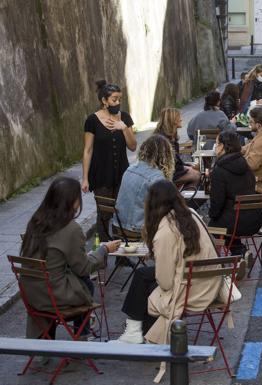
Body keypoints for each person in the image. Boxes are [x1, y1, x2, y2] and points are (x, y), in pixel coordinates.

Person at [114, 180, 222, 344]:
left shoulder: (166, 231)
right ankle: (135, 330)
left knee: (150, 285)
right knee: (142, 275)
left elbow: (165, 282)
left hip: (192, 290)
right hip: (211, 282)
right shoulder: (191, 213)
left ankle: (137, 332)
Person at [20, 177, 121, 339]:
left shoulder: (35, 221)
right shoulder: (71, 228)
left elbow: (54, 257)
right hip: (53, 298)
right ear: (72, 201)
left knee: (71, 278)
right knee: (86, 283)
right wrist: (104, 250)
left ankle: (47, 339)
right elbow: (83, 267)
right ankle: (81, 336)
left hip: (32, 295)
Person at [82, 80, 137, 241]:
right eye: (114, 99)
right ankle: (103, 254)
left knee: (122, 212)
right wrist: (85, 178)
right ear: (104, 101)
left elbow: (133, 146)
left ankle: (122, 253)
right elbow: (88, 150)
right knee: (104, 213)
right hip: (100, 174)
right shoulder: (92, 121)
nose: (118, 103)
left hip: (122, 173)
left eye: (120, 99)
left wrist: (124, 127)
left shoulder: (125, 117)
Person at [208, 130, 262, 255]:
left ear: (222, 146)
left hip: (236, 223)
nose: (215, 147)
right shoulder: (245, 163)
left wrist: (211, 216)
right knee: (227, 218)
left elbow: (217, 203)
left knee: (210, 227)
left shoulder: (220, 169)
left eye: (216, 144)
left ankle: (232, 255)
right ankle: (239, 251)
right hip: (255, 220)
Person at [114, 135, 175, 233]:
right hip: (137, 229)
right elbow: (164, 209)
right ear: (166, 156)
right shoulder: (157, 177)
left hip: (118, 226)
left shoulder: (130, 169)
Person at [153, 108, 201, 186]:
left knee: (196, 169)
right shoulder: (163, 140)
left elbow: (175, 162)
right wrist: (186, 167)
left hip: (170, 170)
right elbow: (167, 165)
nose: (181, 119)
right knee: (196, 175)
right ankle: (184, 197)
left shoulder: (170, 136)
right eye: (179, 117)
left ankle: (182, 195)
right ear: (173, 120)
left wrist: (186, 166)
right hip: (164, 174)